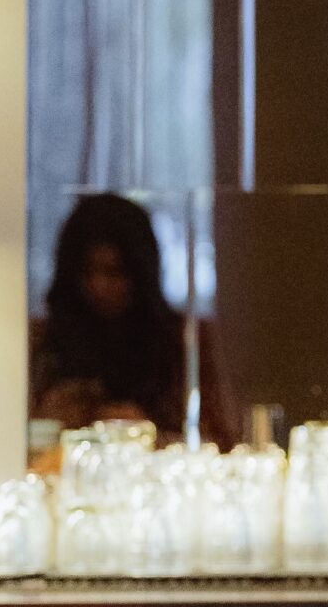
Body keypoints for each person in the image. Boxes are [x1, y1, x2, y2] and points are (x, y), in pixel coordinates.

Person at [30, 192, 238, 448]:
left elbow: (222, 443)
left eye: (114, 272)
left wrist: (144, 433)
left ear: (140, 273)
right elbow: (7, 441)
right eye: (87, 272)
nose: (99, 286)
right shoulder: (41, 342)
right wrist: (48, 421)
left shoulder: (184, 339)